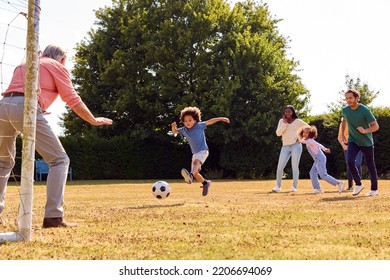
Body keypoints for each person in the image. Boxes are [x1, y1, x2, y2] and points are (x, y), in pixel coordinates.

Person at [0, 45, 113, 228]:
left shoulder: (26, 64)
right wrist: (92, 120)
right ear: (62, 59)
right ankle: (53, 217)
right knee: (59, 160)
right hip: (25, 107)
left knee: (3, 163)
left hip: (3, 107)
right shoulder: (56, 66)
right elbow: (72, 99)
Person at [171, 106, 230, 196]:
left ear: (195, 120)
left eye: (190, 120)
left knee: (195, 163)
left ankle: (190, 176)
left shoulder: (199, 126)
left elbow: (210, 121)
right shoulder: (184, 130)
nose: (187, 122)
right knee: (196, 173)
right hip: (195, 153)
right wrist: (173, 127)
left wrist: (221, 118)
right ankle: (205, 183)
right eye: (185, 121)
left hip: (203, 151)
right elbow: (175, 132)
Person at [340, 89, 379, 196]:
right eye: (347, 98)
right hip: (353, 140)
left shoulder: (365, 110)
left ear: (357, 98)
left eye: (351, 98)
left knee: (370, 165)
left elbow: (376, 126)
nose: (348, 100)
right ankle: (358, 184)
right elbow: (344, 121)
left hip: (366, 142)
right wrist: (343, 134)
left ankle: (374, 189)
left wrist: (365, 131)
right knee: (350, 162)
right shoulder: (345, 110)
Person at [299, 126, 345, 194]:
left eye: (307, 133)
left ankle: (339, 183)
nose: (304, 134)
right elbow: (302, 141)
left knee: (323, 175)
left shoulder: (310, 141)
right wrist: (299, 140)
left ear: (311, 134)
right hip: (317, 160)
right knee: (312, 173)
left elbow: (318, 144)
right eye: (304, 132)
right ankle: (318, 189)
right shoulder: (307, 141)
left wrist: (324, 149)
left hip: (320, 159)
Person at [273, 105, 308, 192]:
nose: (287, 113)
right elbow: (278, 133)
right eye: (286, 111)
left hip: (296, 145)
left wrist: (302, 139)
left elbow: (309, 128)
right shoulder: (281, 121)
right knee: (280, 166)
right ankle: (278, 186)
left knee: (294, 166)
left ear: (293, 112)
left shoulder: (298, 121)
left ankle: (294, 187)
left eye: (289, 111)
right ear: (284, 113)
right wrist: (284, 124)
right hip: (285, 146)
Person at [337, 117, 363, 191]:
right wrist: (343, 145)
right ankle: (350, 185)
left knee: (357, 163)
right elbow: (339, 137)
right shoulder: (342, 124)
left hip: (358, 144)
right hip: (347, 145)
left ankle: (359, 184)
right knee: (349, 165)